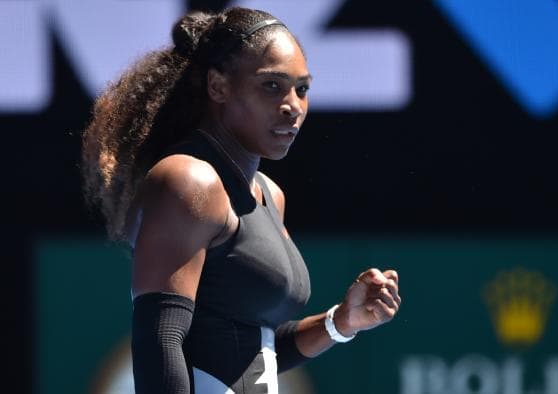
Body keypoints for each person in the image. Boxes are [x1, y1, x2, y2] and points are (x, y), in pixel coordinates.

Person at [81, 7, 401, 394]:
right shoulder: (189, 181)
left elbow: (251, 355)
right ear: (217, 87)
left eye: (302, 89)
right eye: (272, 86)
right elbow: (161, 343)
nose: (293, 106)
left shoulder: (269, 194)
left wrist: (342, 321)